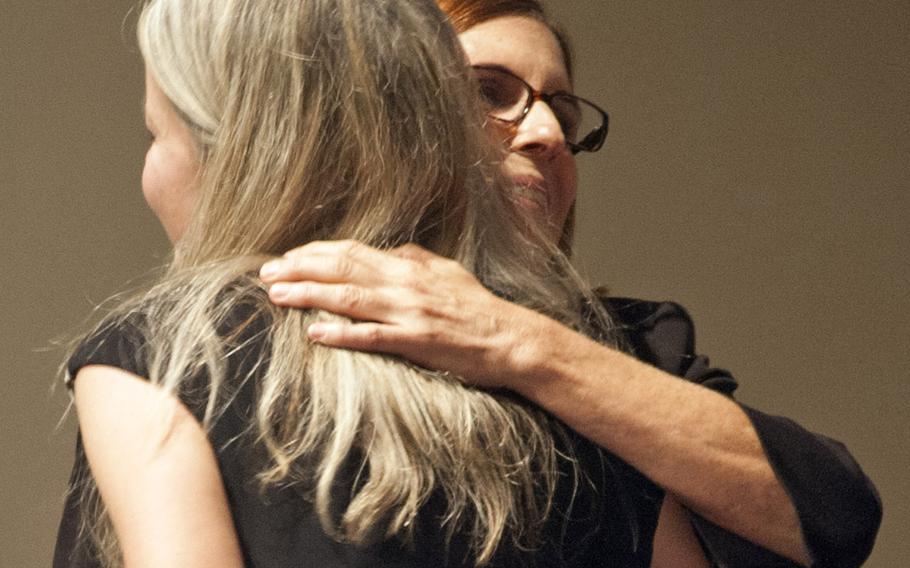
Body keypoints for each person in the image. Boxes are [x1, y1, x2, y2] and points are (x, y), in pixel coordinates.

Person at [53, 0, 678, 567]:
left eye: (155, 135)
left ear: (244, 148)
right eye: (489, 92)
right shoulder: (597, 406)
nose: (544, 135)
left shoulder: (169, 357)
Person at [258, 1, 883, 566]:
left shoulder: (635, 343)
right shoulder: (260, 330)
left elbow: (836, 516)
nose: (550, 134)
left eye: (562, 109)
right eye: (490, 92)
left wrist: (517, 342)